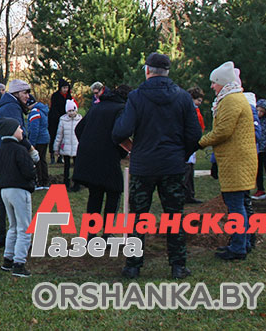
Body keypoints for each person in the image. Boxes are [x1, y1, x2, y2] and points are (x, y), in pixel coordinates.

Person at [112, 52, 201, 280]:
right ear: (168, 71)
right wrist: (181, 154)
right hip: (172, 165)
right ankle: (178, 265)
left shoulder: (136, 97)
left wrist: (133, 148)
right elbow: (194, 135)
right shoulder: (183, 97)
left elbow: (120, 131)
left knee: (138, 217)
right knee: (175, 216)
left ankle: (133, 266)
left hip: (144, 166)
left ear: (147, 70)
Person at [198, 61, 257, 261]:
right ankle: (243, 243)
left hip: (236, 161)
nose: (212, 86)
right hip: (239, 160)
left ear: (222, 82)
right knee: (240, 204)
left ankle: (238, 248)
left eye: (214, 82)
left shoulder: (231, 100)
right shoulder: (235, 98)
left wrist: (200, 142)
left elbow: (223, 131)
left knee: (235, 206)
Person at [0, 79, 40, 248]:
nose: (28, 96)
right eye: (25, 92)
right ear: (16, 93)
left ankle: (2, 238)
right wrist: (31, 150)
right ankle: (16, 238)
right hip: (6, 158)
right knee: (13, 198)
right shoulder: (11, 107)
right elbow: (18, 132)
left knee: (4, 198)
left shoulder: (9, 105)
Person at [73, 85, 131, 230]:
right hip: (108, 157)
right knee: (114, 191)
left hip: (89, 157)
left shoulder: (96, 107)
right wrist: (122, 153)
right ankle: (107, 231)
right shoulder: (121, 109)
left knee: (95, 194)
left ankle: (91, 233)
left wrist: (88, 144)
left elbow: (78, 129)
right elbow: (120, 134)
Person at [0, 117, 36, 278]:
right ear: (12, 132)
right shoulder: (20, 150)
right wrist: (32, 169)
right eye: (19, 128)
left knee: (13, 226)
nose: (22, 131)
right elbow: (29, 172)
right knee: (24, 228)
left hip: (4, 191)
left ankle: (8, 259)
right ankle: (19, 263)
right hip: (19, 190)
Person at [183, 87, 206, 204]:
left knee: (190, 169)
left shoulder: (196, 111)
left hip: (193, 143)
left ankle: (189, 195)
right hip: (187, 143)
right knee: (186, 170)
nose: (199, 103)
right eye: (198, 100)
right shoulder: (187, 111)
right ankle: (183, 194)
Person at [54, 99, 82, 191]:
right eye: (69, 111)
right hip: (66, 146)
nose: (71, 113)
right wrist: (56, 148)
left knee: (77, 167)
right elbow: (59, 134)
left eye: (73, 110)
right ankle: (66, 183)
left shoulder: (80, 120)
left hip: (76, 147)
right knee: (66, 167)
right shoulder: (63, 120)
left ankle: (77, 184)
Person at [27, 95, 50, 189]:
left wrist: (32, 143)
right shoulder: (42, 110)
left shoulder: (34, 112)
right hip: (45, 138)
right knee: (43, 160)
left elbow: (34, 129)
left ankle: (39, 182)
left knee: (37, 160)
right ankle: (45, 181)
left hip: (39, 140)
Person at [48, 79, 73, 163]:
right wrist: (58, 117)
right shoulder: (55, 96)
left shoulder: (69, 96)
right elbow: (54, 108)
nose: (65, 89)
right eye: (64, 88)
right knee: (53, 137)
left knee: (63, 138)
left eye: (67, 88)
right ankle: (52, 155)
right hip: (54, 120)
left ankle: (60, 156)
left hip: (65, 119)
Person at [253, 99, 266, 200]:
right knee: (258, 171)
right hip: (256, 150)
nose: (259, 113)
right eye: (258, 110)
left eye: (262, 111)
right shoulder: (254, 121)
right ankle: (260, 190)